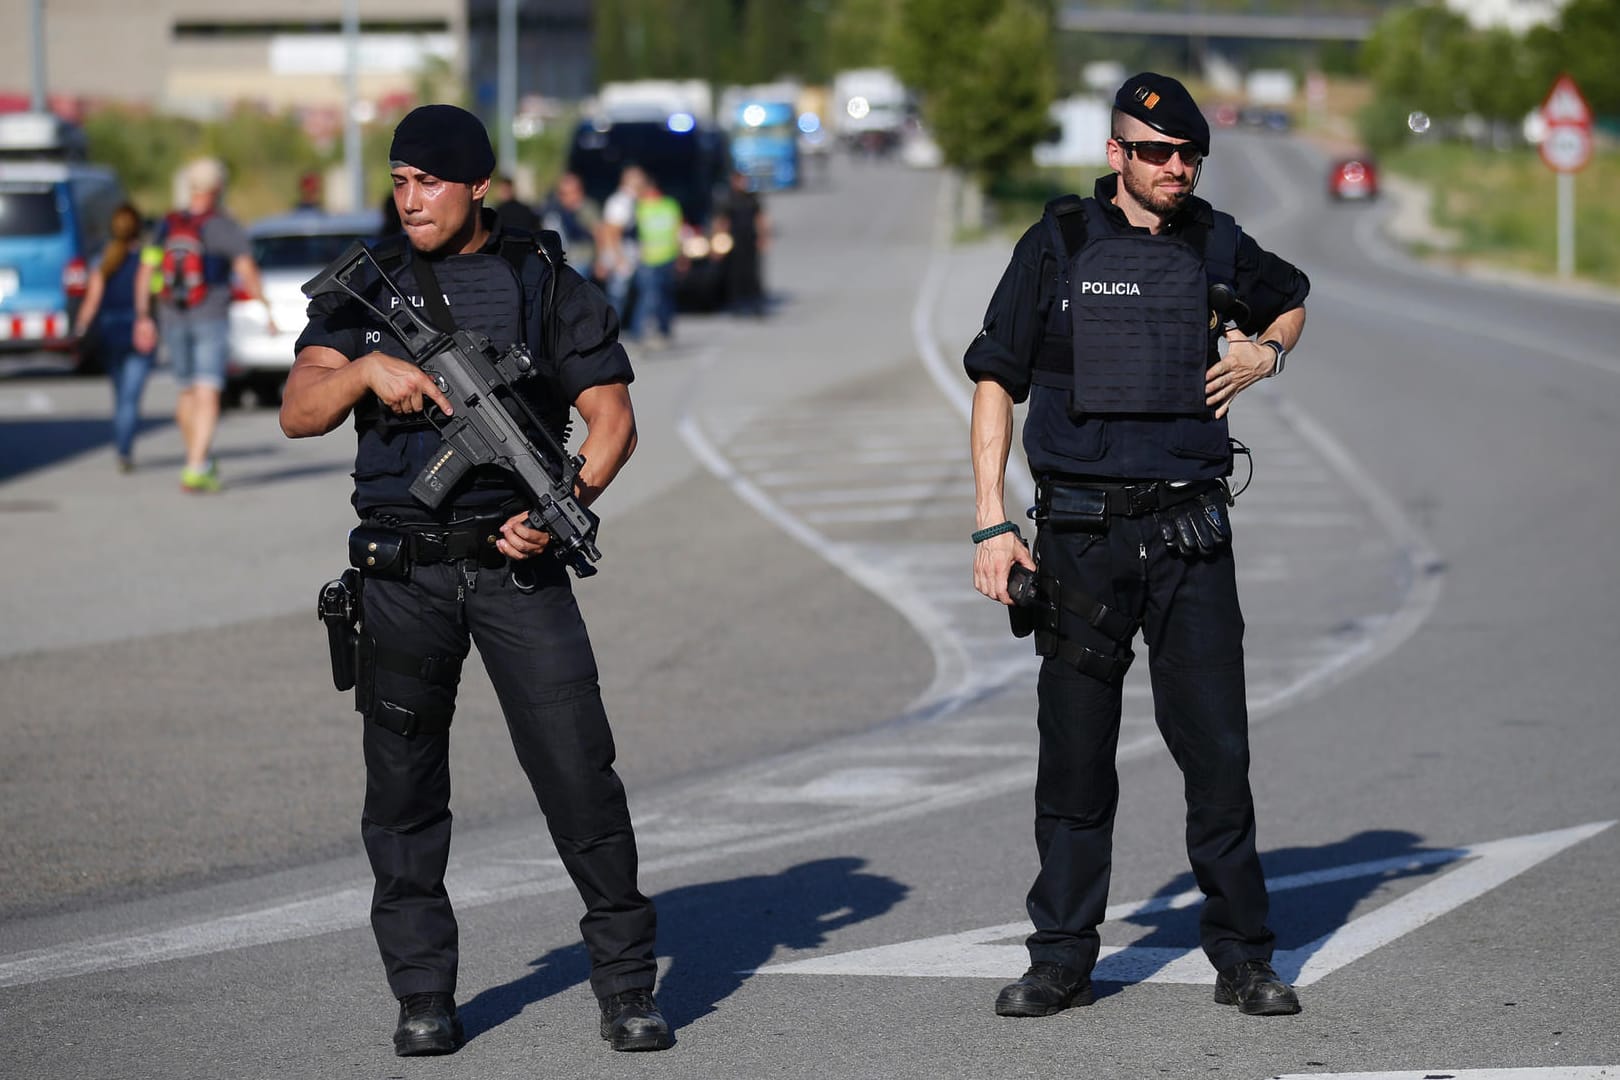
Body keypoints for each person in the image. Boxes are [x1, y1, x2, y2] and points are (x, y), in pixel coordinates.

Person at [279, 104, 671, 1058]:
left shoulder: (541, 282)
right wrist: (372, 371)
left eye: (431, 182)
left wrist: (557, 506)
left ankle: (626, 987)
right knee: (404, 795)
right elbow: (299, 410)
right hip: (402, 575)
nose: (410, 200)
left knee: (582, 778)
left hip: (515, 574)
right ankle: (423, 997)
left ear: (478, 185)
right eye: (400, 181)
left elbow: (611, 420)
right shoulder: (363, 293)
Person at [965, 73, 1310, 1020]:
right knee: (1073, 758)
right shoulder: (1058, 245)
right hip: (1078, 538)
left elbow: (1293, 297)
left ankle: (1244, 958)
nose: (1176, 168)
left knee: (1218, 757)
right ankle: (1062, 958)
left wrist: (1265, 353)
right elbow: (995, 378)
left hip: (1190, 532)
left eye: (1189, 155)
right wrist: (993, 520)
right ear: (1116, 153)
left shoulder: (1218, 241)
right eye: (1156, 153)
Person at [132, 158, 272, 493]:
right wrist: (265, 308)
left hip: (171, 314)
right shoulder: (223, 225)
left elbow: (146, 271)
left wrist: (142, 316)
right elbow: (246, 268)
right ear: (218, 188)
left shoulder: (167, 225)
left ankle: (199, 459)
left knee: (186, 391)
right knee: (208, 391)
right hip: (210, 315)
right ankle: (196, 466)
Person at [72, 202, 156, 473]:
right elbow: (145, 293)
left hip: (109, 331)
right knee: (131, 398)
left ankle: (122, 445)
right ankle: (124, 448)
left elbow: (92, 300)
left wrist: (81, 328)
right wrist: (145, 319)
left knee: (120, 395)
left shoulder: (102, 260)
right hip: (136, 329)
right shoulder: (145, 258)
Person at [630, 174, 682, 348]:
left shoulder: (670, 205)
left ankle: (665, 329)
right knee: (649, 297)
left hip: (668, 257)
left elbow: (678, 230)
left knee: (666, 297)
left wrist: (681, 255)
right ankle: (638, 332)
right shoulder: (639, 207)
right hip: (648, 260)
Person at [714, 170, 769, 317]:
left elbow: (759, 218)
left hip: (749, 239)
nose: (743, 184)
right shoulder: (729, 199)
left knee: (753, 273)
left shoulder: (751, 198)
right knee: (736, 274)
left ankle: (756, 303)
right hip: (735, 240)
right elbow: (722, 222)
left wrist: (763, 236)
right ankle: (737, 304)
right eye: (740, 181)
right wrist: (719, 243)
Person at [598, 165, 645, 320]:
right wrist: (619, 259)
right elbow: (611, 232)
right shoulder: (621, 202)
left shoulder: (630, 200)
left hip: (627, 255)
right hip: (622, 256)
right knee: (617, 297)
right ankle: (611, 329)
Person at [539, 171, 600, 283]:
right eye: (561, 193)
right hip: (559, 262)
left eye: (566, 193)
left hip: (581, 260)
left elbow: (599, 235)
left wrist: (600, 261)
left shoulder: (587, 209)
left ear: (579, 192)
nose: (562, 197)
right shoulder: (554, 210)